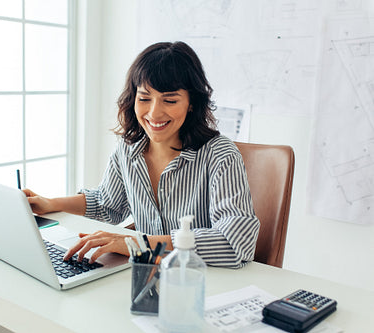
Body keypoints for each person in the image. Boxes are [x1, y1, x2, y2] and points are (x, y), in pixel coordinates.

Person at [24, 41, 260, 268]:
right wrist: (49, 203)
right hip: (146, 277)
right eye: (144, 98)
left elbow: (235, 242)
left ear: (191, 102)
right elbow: (107, 204)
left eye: (169, 100)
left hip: (199, 281)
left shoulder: (220, 155)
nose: (154, 113)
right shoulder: (128, 150)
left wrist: (139, 244)